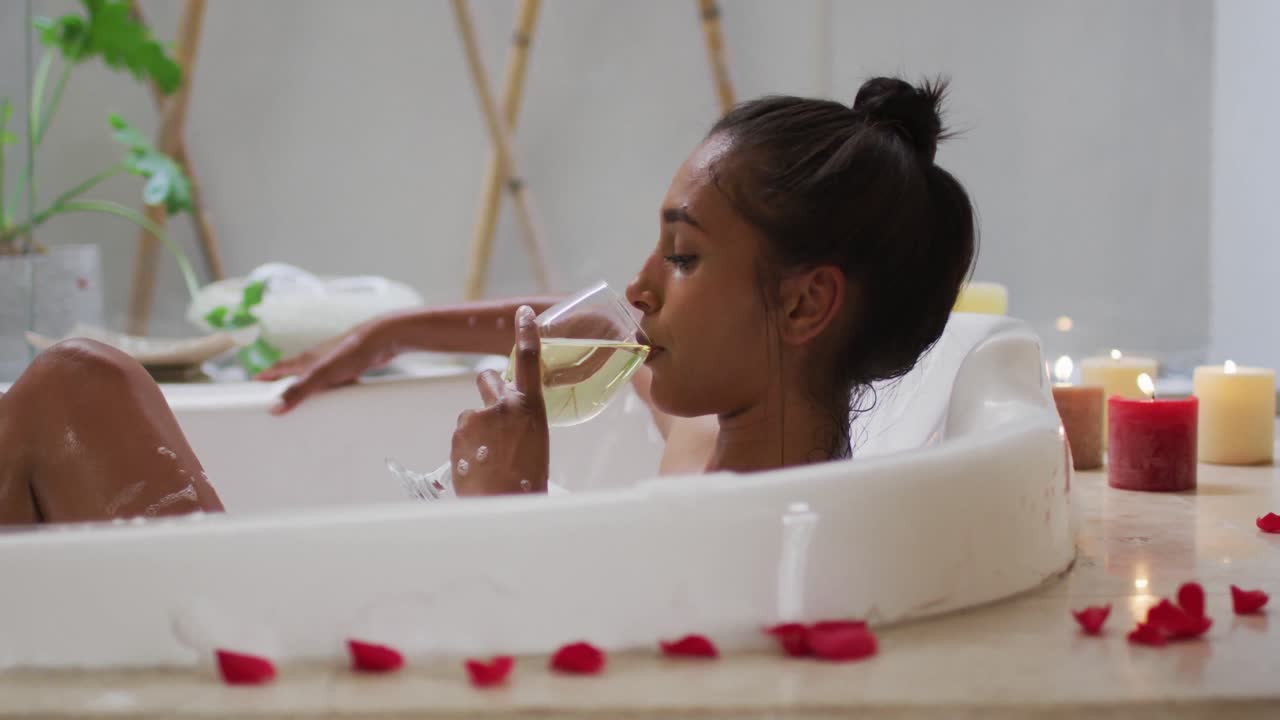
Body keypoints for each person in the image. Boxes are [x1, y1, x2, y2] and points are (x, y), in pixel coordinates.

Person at [0, 76, 975, 524]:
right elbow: (584, 322)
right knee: (83, 381)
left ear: (803, 309)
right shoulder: (706, 436)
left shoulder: (759, 538)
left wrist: (502, 508)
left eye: (681, 257)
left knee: (76, 384)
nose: (641, 284)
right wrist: (391, 332)